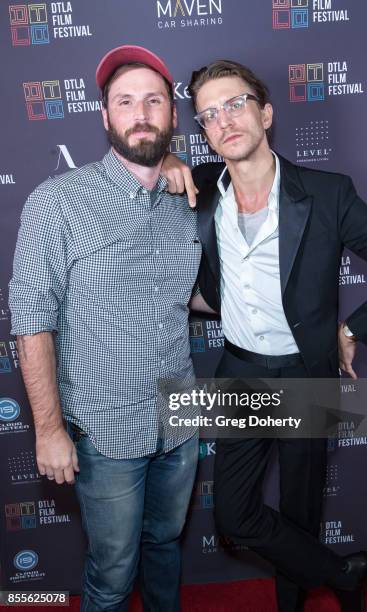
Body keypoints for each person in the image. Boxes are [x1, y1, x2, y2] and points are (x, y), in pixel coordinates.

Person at [163, 59, 367, 612]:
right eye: (207, 115)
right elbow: (140, 168)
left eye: (236, 104)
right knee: (236, 514)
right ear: (202, 132)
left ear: (266, 112)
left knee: (300, 513)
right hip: (242, 372)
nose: (223, 120)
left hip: (304, 373)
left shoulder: (327, 193)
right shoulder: (198, 189)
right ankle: (346, 573)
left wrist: (354, 328)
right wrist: (170, 158)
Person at [9, 45, 202, 612]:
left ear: (172, 114)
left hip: (179, 420)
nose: (140, 113)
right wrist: (47, 430)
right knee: (114, 572)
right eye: (125, 101)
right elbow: (31, 322)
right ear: (105, 116)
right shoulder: (56, 202)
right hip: (105, 433)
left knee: (165, 547)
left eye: (154, 101)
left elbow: (195, 295)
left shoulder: (186, 199)